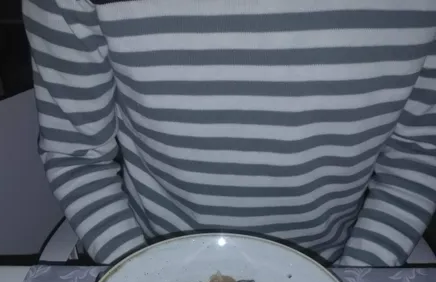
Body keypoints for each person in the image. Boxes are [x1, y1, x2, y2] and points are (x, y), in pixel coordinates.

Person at [23, 0, 436, 266]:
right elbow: (75, 152)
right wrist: (143, 280)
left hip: (337, 261)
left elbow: (417, 155)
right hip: (143, 251)